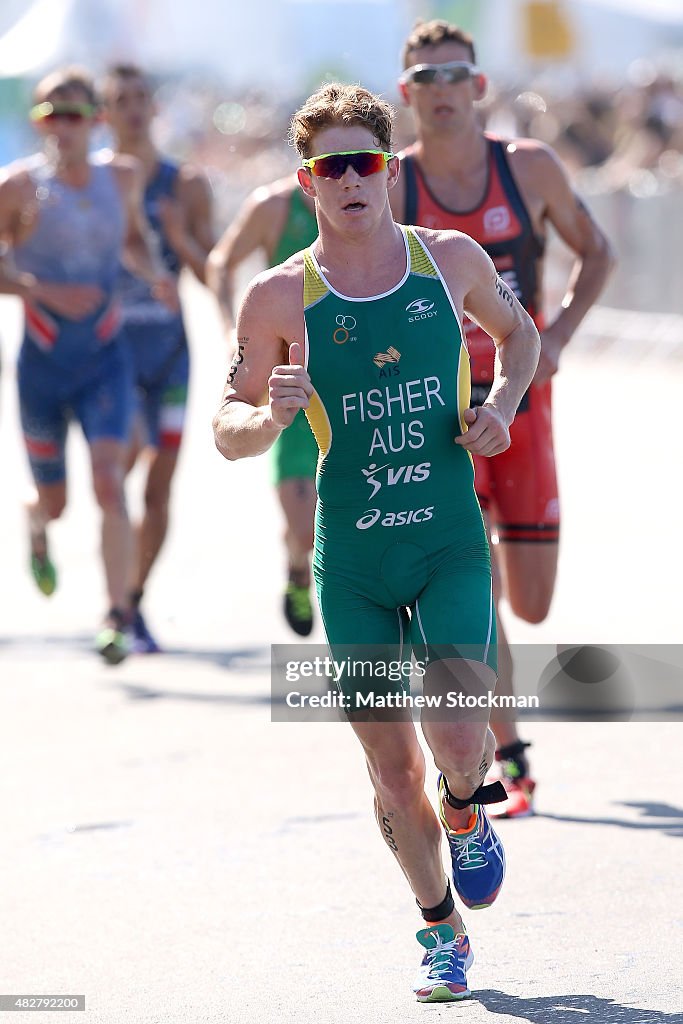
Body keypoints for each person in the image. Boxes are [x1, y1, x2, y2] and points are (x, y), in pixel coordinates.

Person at [213, 83, 540, 1002]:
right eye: (330, 167)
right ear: (307, 181)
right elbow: (225, 422)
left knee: (458, 740)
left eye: (365, 162)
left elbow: (520, 343)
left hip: (444, 543)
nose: (350, 179)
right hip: (351, 561)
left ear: (388, 169)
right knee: (390, 769)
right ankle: (440, 929)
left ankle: (469, 808)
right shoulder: (280, 296)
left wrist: (501, 409)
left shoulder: (450, 262)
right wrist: (264, 420)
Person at [391, 20, 614, 816]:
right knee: (469, 582)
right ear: (405, 92)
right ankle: (507, 752)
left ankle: (502, 736)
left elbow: (597, 252)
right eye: (425, 77)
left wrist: (551, 337)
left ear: (478, 87)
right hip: (444, 410)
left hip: (522, 397)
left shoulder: (528, 168)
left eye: (454, 74)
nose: (441, 89)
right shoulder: (393, 187)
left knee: (531, 601)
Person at [0, 66, 173, 663]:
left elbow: (131, 239)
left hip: (104, 357)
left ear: (94, 122)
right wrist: (38, 290)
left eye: (75, 115)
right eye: (52, 116)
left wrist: (154, 273)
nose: (63, 127)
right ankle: (36, 522)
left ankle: (116, 612)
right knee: (56, 502)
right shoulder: (18, 187)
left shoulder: (121, 178)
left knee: (109, 481)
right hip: (42, 368)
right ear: (38, 123)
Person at [101, 63, 215, 653]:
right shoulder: (90, 182)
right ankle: (117, 599)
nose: (134, 109)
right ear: (106, 112)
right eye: (121, 100)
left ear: (155, 106)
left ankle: (132, 602)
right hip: (111, 356)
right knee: (114, 479)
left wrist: (179, 240)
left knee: (158, 491)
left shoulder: (185, 184)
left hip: (170, 354)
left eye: (142, 97)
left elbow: (215, 276)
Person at [206, 176, 318, 635]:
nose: (346, 174)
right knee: (305, 526)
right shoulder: (271, 206)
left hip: (357, 370)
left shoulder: (373, 194)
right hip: (288, 373)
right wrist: (232, 333)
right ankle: (297, 564)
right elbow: (221, 264)